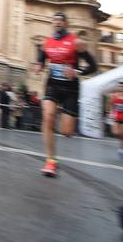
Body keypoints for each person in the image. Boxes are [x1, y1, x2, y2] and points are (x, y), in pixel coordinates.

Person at [34, 12, 97, 177]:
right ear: (52, 24)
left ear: (66, 24)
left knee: (66, 131)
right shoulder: (46, 43)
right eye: (54, 20)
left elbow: (93, 66)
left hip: (71, 89)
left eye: (61, 20)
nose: (57, 23)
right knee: (47, 117)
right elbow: (40, 60)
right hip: (53, 85)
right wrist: (39, 67)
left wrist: (77, 71)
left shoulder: (76, 42)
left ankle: (65, 116)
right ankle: (50, 161)